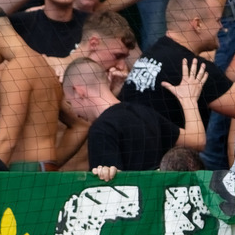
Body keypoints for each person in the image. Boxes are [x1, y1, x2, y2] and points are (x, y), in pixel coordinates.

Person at [120, 0, 235, 132]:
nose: (222, 27)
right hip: (166, 153)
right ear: (198, 24)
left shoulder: (149, 55)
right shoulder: (192, 68)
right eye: (217, 20)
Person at [64, 57, 208, 173]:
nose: (75, 114)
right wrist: (189, 100)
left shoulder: (101, 129)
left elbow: (106, 191)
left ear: (78, 91)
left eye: (70, 103)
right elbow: (197, 140)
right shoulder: (145, 113)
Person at [0, 4, 61, 170]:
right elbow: (80, 124)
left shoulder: (16, 69)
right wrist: (51, 164)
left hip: (26, 172)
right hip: (45, 170)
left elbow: (6, 140)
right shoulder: (43, 65)